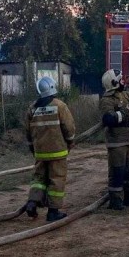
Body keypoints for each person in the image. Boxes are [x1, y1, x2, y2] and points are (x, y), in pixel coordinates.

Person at [24, 76, 76, 222]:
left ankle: (32, 202)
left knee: (38, 179)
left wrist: (32, 148)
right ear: (52, 87)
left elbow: (28, 132)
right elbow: (69, 127)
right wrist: (70, 141)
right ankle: (53, 212)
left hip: (40, 152)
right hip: (58, 152)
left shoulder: (32, 108)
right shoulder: (59, 106)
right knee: (57, 180)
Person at [99, 69, 129, 210]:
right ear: (113, 83)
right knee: (117, 172)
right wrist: (126, 111)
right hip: (116, 142)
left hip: (128, 139)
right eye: (120, 79)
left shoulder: (124, 94)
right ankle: (115, 201)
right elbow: (109, 119)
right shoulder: (106, 100)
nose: (123, 81)